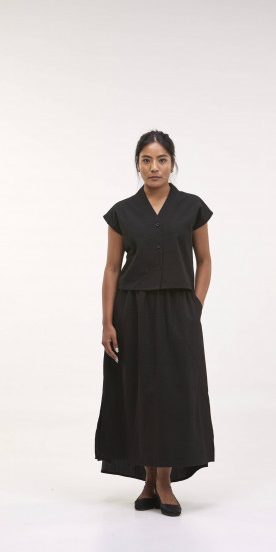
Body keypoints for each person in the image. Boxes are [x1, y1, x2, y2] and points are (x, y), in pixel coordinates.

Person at [95, 130, 216, 517]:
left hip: (178, 312)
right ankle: (148, 481)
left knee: (173, 393)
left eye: (162, 159)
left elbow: (205, 260)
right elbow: (112, 269)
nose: (154, 167)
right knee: (140, 393)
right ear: (137, 165)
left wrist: (194, 307)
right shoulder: (122, 212)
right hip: (132, 312)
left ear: (172, 163)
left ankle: (164, 482)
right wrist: (107, 321)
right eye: (146, 160)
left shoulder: (192, 207)